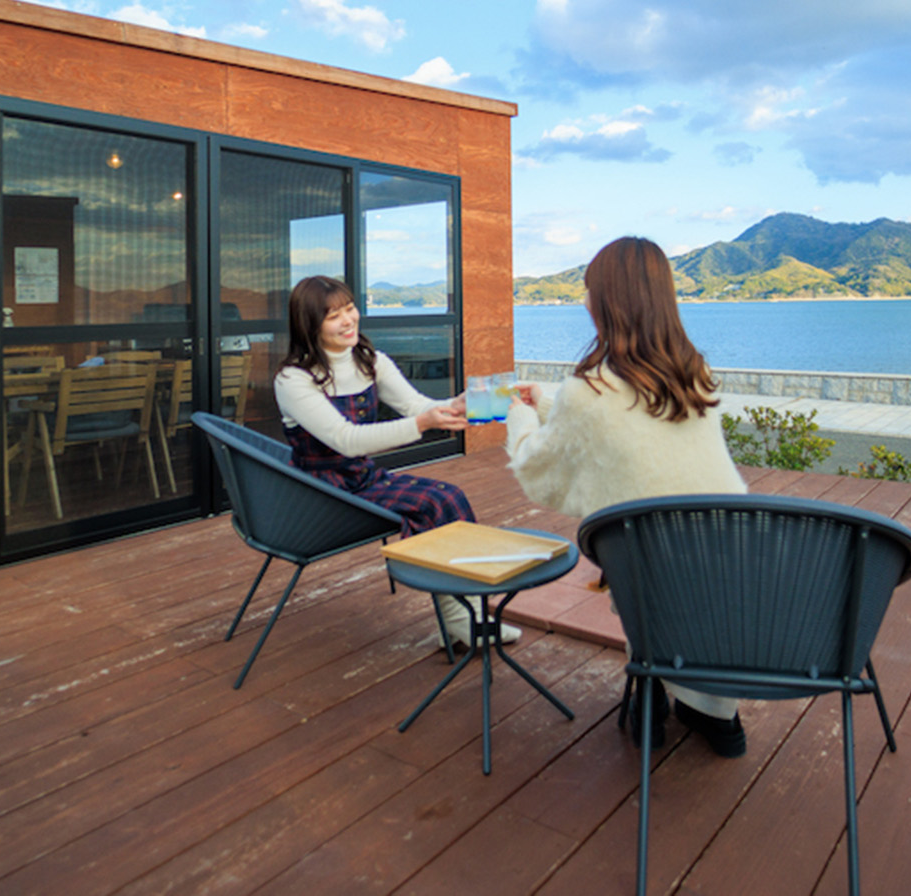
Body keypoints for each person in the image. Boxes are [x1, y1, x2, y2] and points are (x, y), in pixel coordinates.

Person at [503, 236, 751, 757]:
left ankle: (650, 688)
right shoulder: (693, 374)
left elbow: (537, 468)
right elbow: (625, 436)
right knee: (652, 533)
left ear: (605, 303)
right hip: (733, 557)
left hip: (649, 571)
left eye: (588, 291)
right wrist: (550, 403)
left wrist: (522, 415)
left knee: (628, 539)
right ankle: (714, 714)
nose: (584, 301)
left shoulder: (590, 390)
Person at [273, 274, 513, 647]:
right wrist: (421, 425)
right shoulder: (295, 378)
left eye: (350, 309)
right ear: (309, 324)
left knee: (450, 496)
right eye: (333, 315)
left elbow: (416, 405)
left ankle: (469, 615)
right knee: (435, 502)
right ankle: (463, 620)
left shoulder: (371, 361)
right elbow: (345, 439)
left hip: (361, 480)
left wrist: (457, 404)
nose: (348, 320)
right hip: (320, 493)